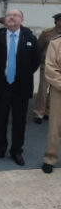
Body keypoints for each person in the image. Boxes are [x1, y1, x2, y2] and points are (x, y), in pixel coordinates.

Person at [0, 9, 40, 166]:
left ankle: (16, 151)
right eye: (9, 15)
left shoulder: (30, 37)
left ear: (22, 19)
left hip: (21, 87)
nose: (11, 17)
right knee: (0, 120)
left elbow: (35, 61)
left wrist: (21, 74)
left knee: (19, 121)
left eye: (15, 15)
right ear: (5, 19)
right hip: (1, 86)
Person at [33, 13, 61, 124]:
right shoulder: (47, 34)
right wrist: (40, 62)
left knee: (54, 91)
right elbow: (38, 48)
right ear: (56, 22)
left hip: (59, 67)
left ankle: (49, 112)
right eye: (60, 20)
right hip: (47, 65)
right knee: (43, 90)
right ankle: (39, 112)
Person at [42, 35, 61, 173]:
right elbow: (50, 69)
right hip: (59, 90)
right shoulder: (55, 43)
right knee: (55, 126)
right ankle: (50, 158)